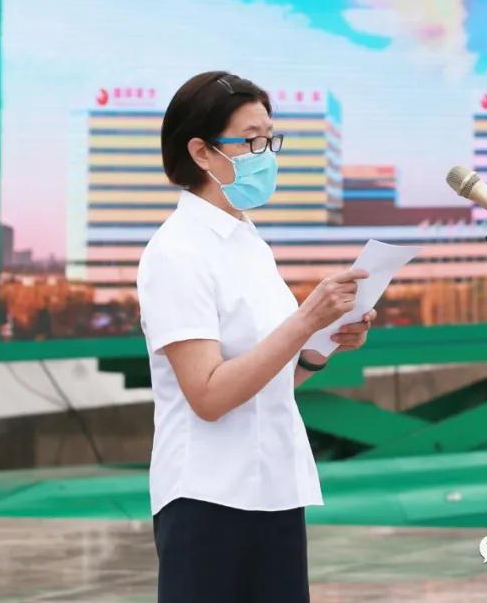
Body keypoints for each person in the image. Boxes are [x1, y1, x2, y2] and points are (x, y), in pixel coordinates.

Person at [136, 71, 376, 603]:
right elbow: (209, 395)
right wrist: (305, 321)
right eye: (250, 141)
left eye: (270, 139)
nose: (265, 155)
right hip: (207, 498)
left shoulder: (248, 242)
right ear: (201, 151)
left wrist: (321, 346)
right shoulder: (176, 253)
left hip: (274, 487)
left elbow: (270, 378)